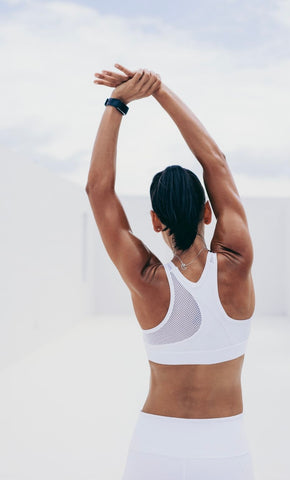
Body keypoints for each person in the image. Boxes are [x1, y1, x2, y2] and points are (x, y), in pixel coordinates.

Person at [86, 64, 255, 480]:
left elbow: (98, 191)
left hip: (155, 445)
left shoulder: (147, 279)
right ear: (208, 212)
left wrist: (117, 103)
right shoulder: (236, 263)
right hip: (224, 446)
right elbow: (214, 161)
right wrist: (159, 91)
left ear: (155, 221)